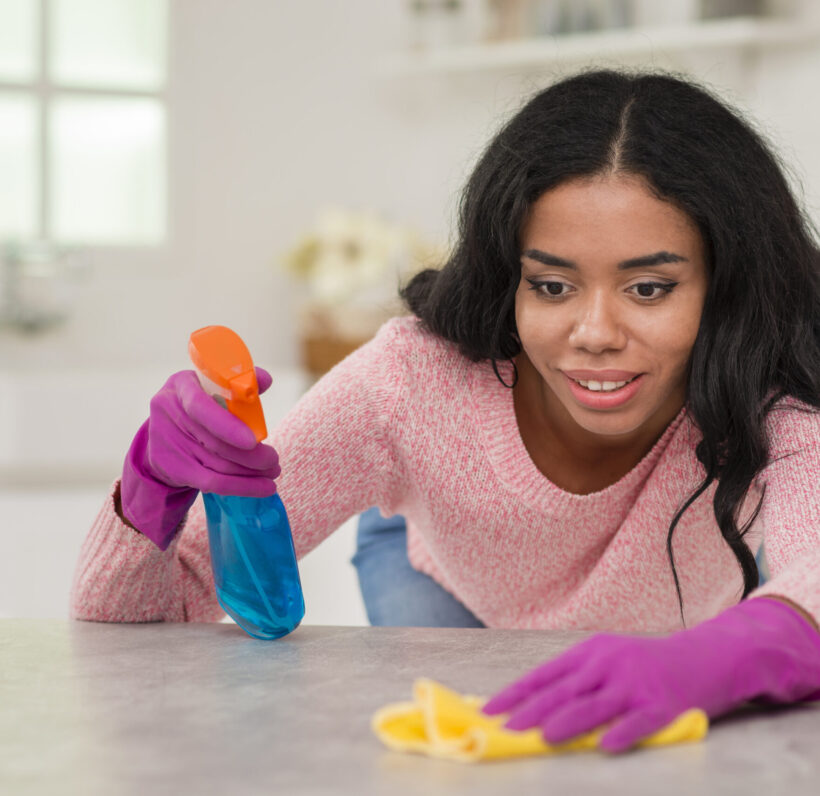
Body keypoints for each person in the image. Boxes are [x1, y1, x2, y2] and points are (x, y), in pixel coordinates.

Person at [71, 69, 820, 753]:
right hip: (442, 577)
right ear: (510, 277)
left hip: (677, 634)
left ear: (728, 288)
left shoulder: (774, 402)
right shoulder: (408, 383)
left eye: (649, 289)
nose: (594, 335)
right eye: (552, 286)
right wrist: (150, 491)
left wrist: (729, 652)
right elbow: (142, 624)